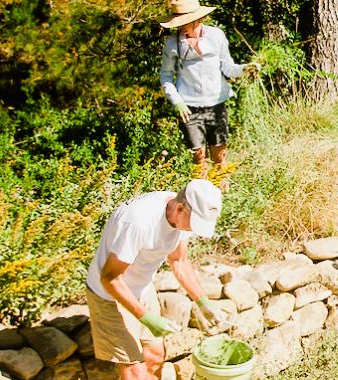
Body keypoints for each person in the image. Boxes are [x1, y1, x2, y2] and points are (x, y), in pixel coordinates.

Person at [85, 179, 227, 379]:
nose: (193, 230)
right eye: (194, 223)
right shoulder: (138, 221)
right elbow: (110, 278)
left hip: (141, 286)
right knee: (135, 372)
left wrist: (203, 302)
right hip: (108, 294)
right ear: (179, 208)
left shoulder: (180, 216)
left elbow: (178, 261)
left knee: (155, 355)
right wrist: (145, 317)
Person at [159, 0, 260, 186]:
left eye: (185, 22)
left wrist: (246, 68)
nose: (181, 27)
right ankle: (201, 199)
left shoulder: (216, 36)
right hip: (189, 109)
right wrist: (176, 100)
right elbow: (165, 76)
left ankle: (222, 196)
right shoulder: (172, 44)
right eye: (178, 22)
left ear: (197, 20)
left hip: (216, 104)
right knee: (198, 159)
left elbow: (228, 68)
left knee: (220, 156)